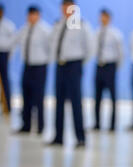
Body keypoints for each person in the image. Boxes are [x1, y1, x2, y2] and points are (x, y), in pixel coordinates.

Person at [48, 0, 92, 147]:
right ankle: (58, 136)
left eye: (69, 6)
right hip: (60, 65)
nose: (66, 9)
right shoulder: (58, 24)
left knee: (75, 102)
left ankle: (80, 137)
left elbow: (89, 48)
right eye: (64, 6)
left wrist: (78, 64)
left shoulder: (81, 25)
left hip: (74, 65)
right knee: (59, 101)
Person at [15, 5, 50, 134]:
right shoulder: (24, 29)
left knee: (38, 97)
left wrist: (45, 61)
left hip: (40, 67)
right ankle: (26, 124)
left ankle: (40, 126)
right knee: (26, 95)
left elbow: (51, 48)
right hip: (27, 65)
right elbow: (14, 43)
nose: (31, 17)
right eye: (29, 15)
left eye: (34, 14)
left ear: (38, 15)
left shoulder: (45, 30)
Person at [93, 9, 123, 132]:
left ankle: (112, 124)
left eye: (104, 17)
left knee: (112, 97)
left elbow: (121, 53)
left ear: (109, 18)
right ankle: (97, 122)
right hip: (99, 66)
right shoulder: (97, 32)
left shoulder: (115, 34)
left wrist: (115, 67)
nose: (102, 19)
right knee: (97, 96)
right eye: (101, 17)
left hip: (110, 66)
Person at [0, 3, 16, 114]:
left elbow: (13, 43)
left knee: (5, 80)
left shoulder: (8, 25)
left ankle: (7, 107)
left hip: (3, 54)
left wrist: (9, 57)